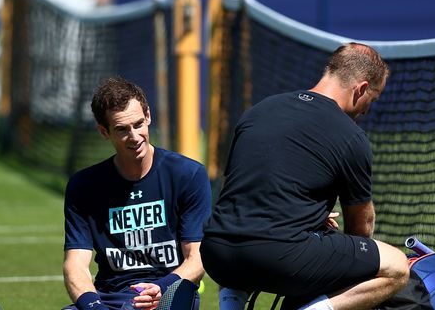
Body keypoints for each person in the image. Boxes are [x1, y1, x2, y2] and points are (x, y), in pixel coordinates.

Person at [201, 43, 410, 310]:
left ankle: (230, 305)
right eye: (374, 98)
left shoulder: (259, 110)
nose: (367, 110)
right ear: (361, 89)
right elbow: (361, 228)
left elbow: (241, 193)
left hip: (217, 255)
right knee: (397, 267)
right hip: (278, 260)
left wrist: (305, 216)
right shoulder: (351, 135)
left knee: (245, 236)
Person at [63, 76, 212, 310]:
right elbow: (75, 266)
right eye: (122, 129)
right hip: (109, 297)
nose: (134, 137)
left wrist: (164, 286)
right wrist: (94, 306)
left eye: (138, 124)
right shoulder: (83, 186)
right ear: (104, 132)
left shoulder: (188, 174)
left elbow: (197, 256)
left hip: (168, 295)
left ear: (149, 116)